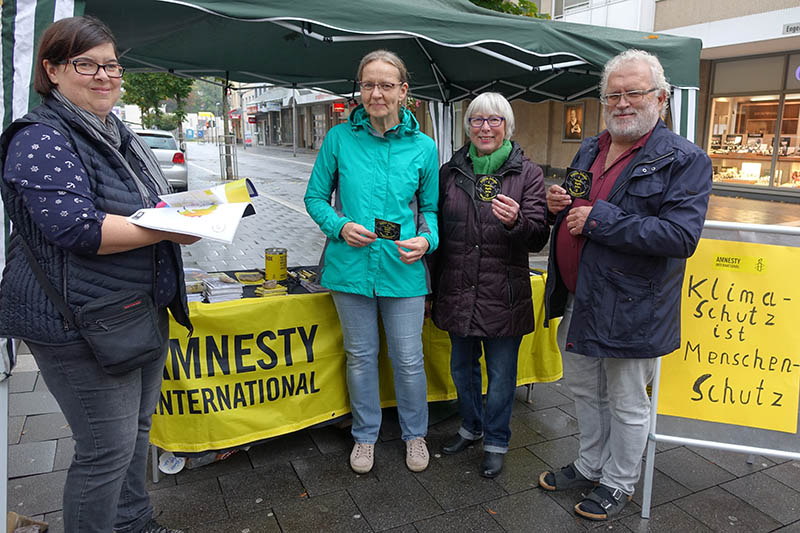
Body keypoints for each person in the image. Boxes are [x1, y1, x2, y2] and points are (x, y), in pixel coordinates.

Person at [0, 16, 199, 533]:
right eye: (85, 64)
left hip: (136, 308)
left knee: (135, 433)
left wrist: (196, 213)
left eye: (110, 64)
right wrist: (169, 231)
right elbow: (78, 228)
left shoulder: (117, 132)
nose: (103, 75)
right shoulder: (40, 137)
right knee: (104, 452)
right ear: (53, 70)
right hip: (78, 321)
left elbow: (148, 205)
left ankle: (134, 523)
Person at [537, 49, 712, 521]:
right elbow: (580, 202)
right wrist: (559, 202)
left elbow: (680, 236)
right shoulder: (592, 147)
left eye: (634, 92)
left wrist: (601, 219)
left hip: (632, 305)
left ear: (660, 98)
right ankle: (590, 464)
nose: (622, 102)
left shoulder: (685, 159)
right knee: (584, 390)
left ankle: (618, 482)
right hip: (579, 295)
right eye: (613, 94)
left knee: (628, 401)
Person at [304, 49, 439, 474]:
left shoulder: (424, 148)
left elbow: (432, 212)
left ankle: (415, 434)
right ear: (359, 91)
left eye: (385, 85)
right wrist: (339, 226)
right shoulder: (339, 140)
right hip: (350, 269)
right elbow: (314, 198)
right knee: (360, 356)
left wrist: (427, 240)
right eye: (368, 84)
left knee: (408, 358)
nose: (376, 93)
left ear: (404, 92)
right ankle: (365, 437)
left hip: (403, 271)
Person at [431, 92, 549, 478]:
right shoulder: (451, 171)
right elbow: (440, 234)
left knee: (501, 376)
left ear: (507, 127)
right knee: (462, 369)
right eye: (477, 120)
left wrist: (517, 221)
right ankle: (471, 426)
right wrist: (433, 289)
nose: (485, 127)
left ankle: (496, 440)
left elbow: (537, 237)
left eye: (494, 120)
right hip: (458, 289)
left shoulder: (526, 174)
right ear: (468, 127)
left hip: (504, 294)